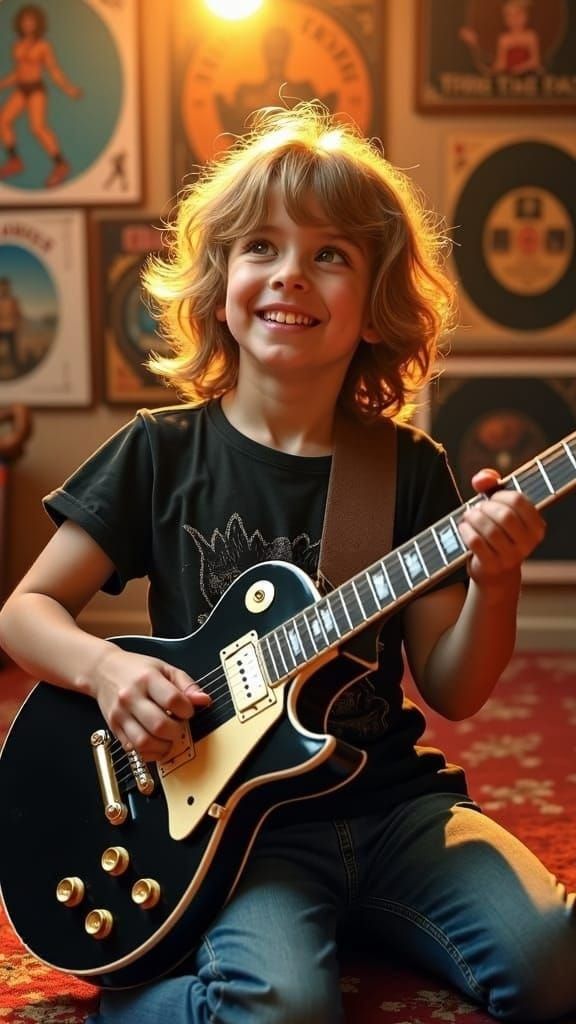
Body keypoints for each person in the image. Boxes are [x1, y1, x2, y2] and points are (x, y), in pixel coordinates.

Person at [0, 103, 574, 1024]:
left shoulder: (409, 468)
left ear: (375, 305)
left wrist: (496, 581)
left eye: (330, 254)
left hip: (394, 805)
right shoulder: (160, 452)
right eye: (261, 247)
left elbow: (455, 689)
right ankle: (144, 1002)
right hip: (240, 835)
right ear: (220, 280)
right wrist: (107, 671)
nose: (290, 275)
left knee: (555, 967)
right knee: (283, 1009)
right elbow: (24, 612)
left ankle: (362, 920)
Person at [0, 4, 82, 188]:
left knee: (37, 127)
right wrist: (2, 84)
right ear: (20, 23)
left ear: (38, 24)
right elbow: (17, 73)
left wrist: (68, 89)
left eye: (31, 21)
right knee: (3, 120)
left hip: (36, 89)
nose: (27, 24)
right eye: (24, 21)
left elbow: (53, 71)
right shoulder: (17, 45)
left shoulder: (44, 46)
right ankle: (14, 161)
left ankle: (61, 164)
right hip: (21, 88)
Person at [459, 0, 543, 77]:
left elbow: (535, 61)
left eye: (518, 14)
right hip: (510, 79)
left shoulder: (531, 36)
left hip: (528, 79)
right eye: (509, 16)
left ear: (526, 16)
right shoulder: (504, 39)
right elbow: (501, 64)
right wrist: (475, 45)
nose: (514, 19)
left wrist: (520, 68)